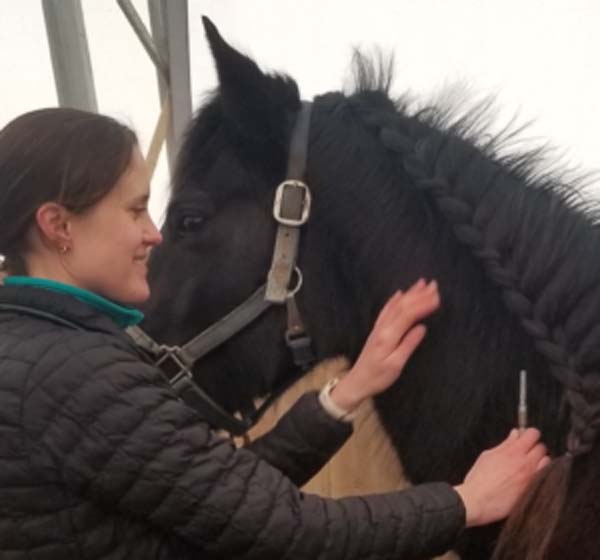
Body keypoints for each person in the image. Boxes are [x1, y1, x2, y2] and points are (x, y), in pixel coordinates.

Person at [0, 108, 549, 560]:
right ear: (59, 226)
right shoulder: (79, 375)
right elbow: (290, 531)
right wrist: (466, 502)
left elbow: (215, 501)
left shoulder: (38, 350)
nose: (153, 234)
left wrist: (347, 393)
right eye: (136, 209)